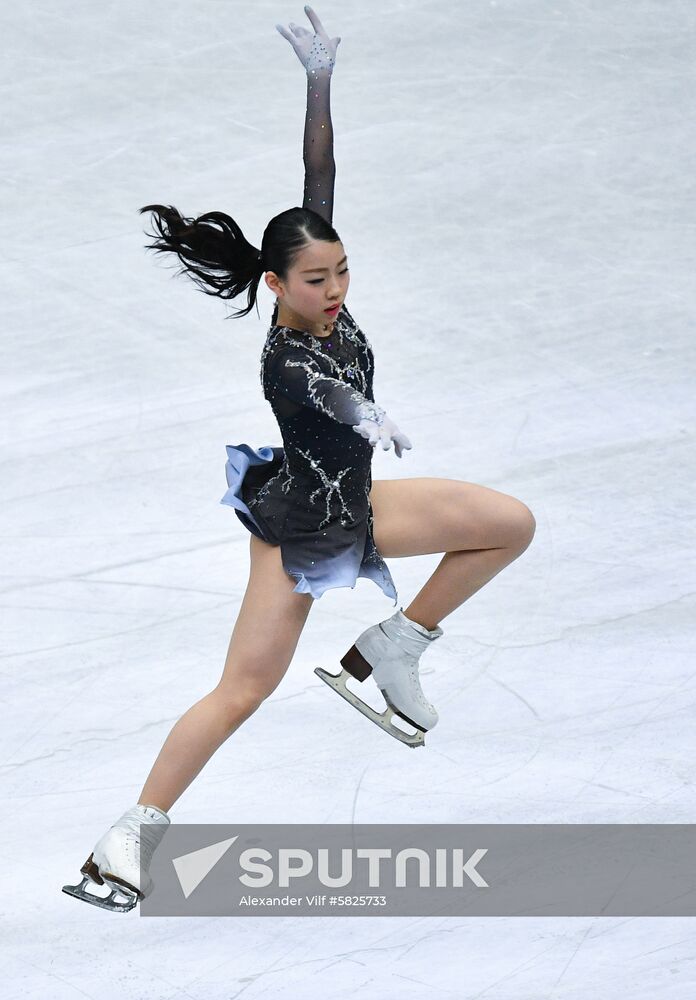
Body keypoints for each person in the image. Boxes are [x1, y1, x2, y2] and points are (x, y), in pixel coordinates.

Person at [62, 5, 536, 913]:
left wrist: (319, 81)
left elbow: (320, 170)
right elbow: (329, 395)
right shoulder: (288, 353)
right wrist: (375, 412)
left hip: (358, 502)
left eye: (343, 271)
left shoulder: (319, 282)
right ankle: (129, 836)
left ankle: (392, 649)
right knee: (243, 690)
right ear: (276, 285)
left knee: (506, 524)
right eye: (317, 280)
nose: (335, 291)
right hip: (302, 532)